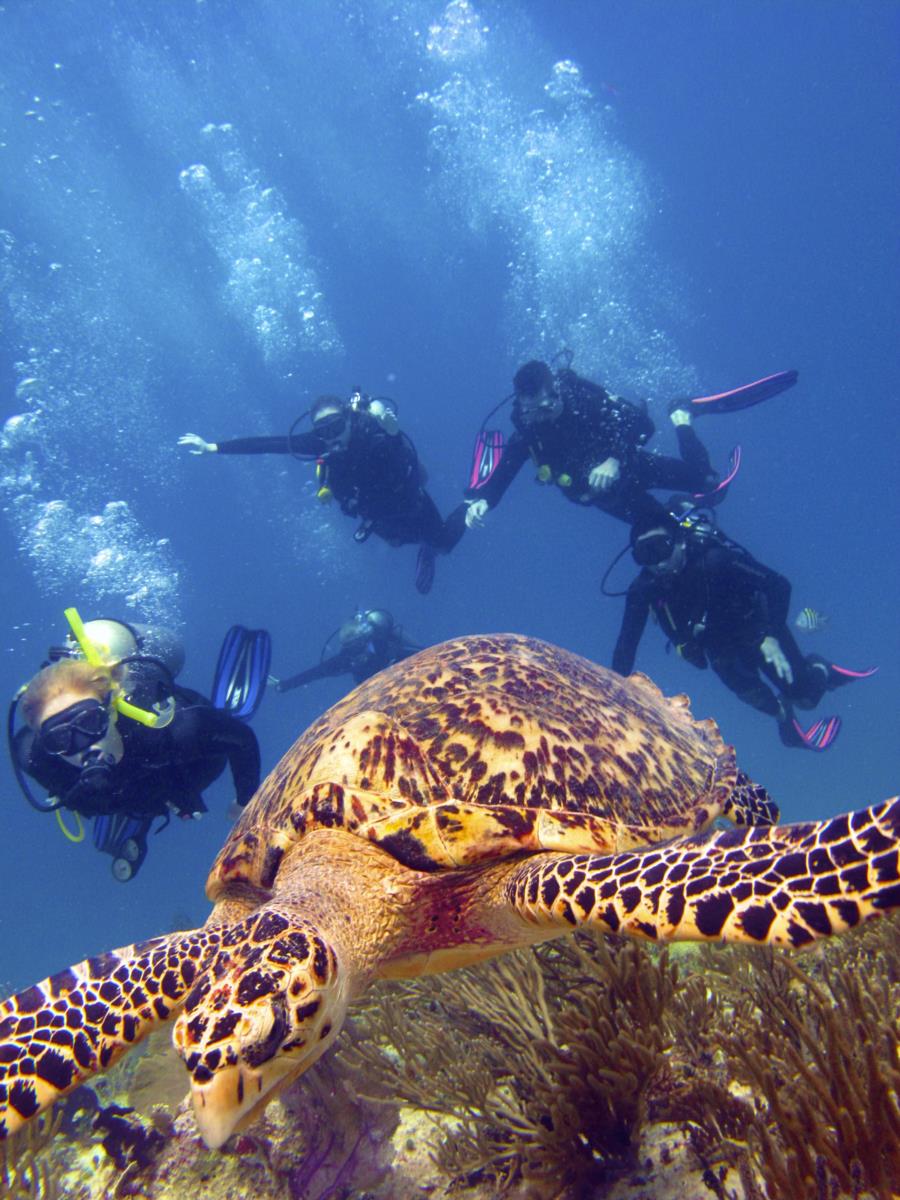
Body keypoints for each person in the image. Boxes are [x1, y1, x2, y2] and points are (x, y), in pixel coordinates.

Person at [10, 614, 263, 880]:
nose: (82, 744)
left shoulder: (178, 729)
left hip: (190, 768)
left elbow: (242, 740)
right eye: (60, 738)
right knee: (128, 803)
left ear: (109, 708)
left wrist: (245, 801)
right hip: (132, 792)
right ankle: (139, 825)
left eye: (89, 721)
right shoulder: (34, 758)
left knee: (227, 725)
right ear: (43, 742)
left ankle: (228, 710)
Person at [610, 505, 876, 751]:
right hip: (717, 648)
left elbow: (779, 585)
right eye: (645, 554)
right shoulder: (643, 589)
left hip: (758, 631)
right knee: (756, 698)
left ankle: (818, 668)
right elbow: (626, 645)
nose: (656, 562)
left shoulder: (716, 560)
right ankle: (783, 715)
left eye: (661, 547)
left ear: (679, 540)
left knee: (806, 698)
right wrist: (612, 701)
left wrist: (770, 635)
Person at [180, 390, 467, 594]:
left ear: (348, 419)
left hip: (409, 500)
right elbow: (268, 444)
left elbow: (402, 460)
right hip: (375, 515)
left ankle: (471, 501)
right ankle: (425, 548)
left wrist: (392, 433)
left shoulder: (370, 432)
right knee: (397, 542)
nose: (331, 436)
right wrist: (214, 447)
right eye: (323, 431)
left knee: (443, 542)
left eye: (336, 426)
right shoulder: (319, 444)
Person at [464, 359, 723, 531]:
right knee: (667, 534)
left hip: (634, 466)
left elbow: (643, 426)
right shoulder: (529, 428)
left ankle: (681, 417)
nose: (538, 417)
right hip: (607, 497)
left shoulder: (585, 402)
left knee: (709, 482)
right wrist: (485, 501)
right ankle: (677, 507)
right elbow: (507, 466)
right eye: (529, 411)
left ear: (556, 392)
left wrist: (613, 460)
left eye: (543, 408)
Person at [271, 608, 422, 692]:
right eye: (349, 649)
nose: (353, 653)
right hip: (377, 688)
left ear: (364, 641)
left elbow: (420, 654)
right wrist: (285, 684)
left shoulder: (383, 645)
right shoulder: (346, 659)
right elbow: (315, 673)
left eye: (356, 647)